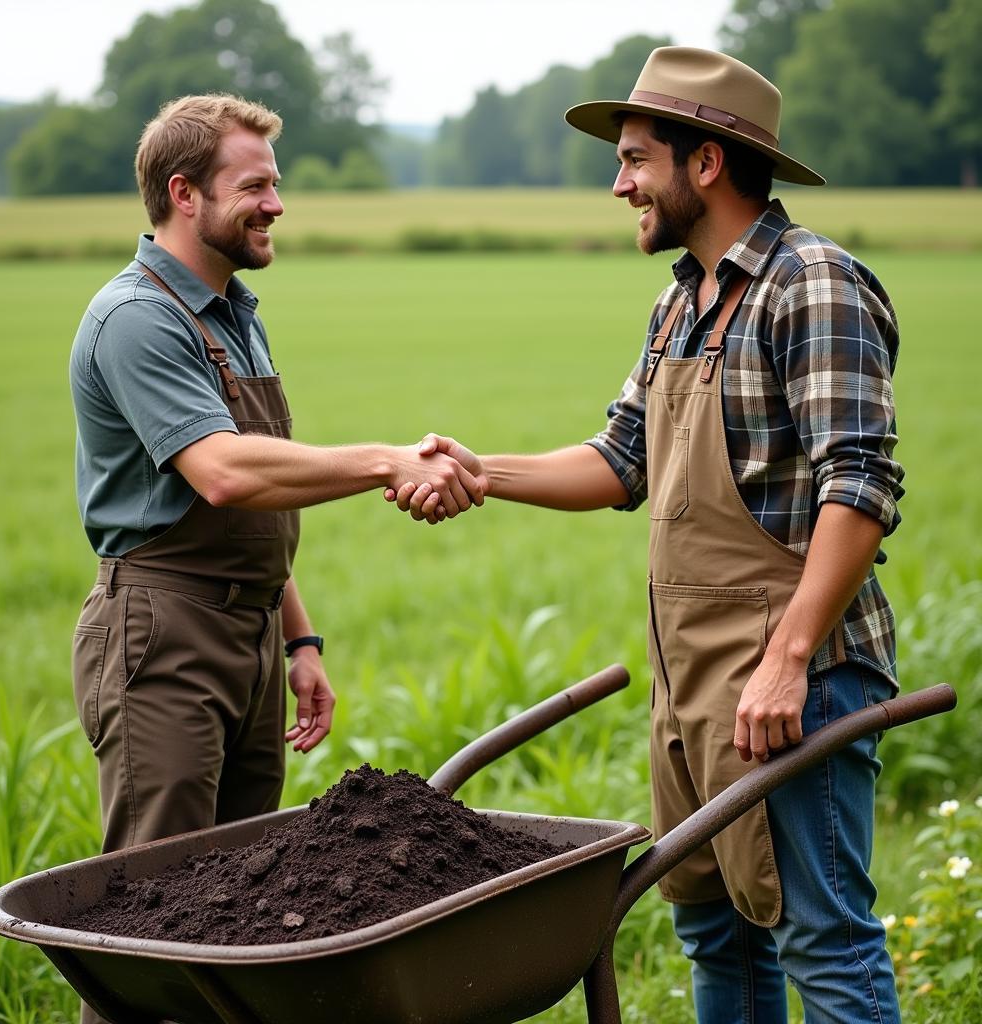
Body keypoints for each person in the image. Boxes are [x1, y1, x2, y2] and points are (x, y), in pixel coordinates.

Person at [388, 48, 904, 1023]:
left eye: (633, 158)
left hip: (797, 679)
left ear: (703, 162)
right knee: (717, 932)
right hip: (695, 680)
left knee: (820, 941)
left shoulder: (812, 284)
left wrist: (787, 659)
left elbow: (861, 485)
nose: (618, 182)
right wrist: (478, 470)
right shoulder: (682, 301)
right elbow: (620, 460)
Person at [69, 93, 484, 1022]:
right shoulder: (137, 318)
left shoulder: (233, 313)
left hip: (250, 633)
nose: (276, 204)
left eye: (275, 184)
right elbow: (221, 472)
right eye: (254, 185)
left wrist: (299, 641)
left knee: (239, 904)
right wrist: (386, 459)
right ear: (184, 193)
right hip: (163, 638)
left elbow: (263, 497)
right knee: (152, 914)